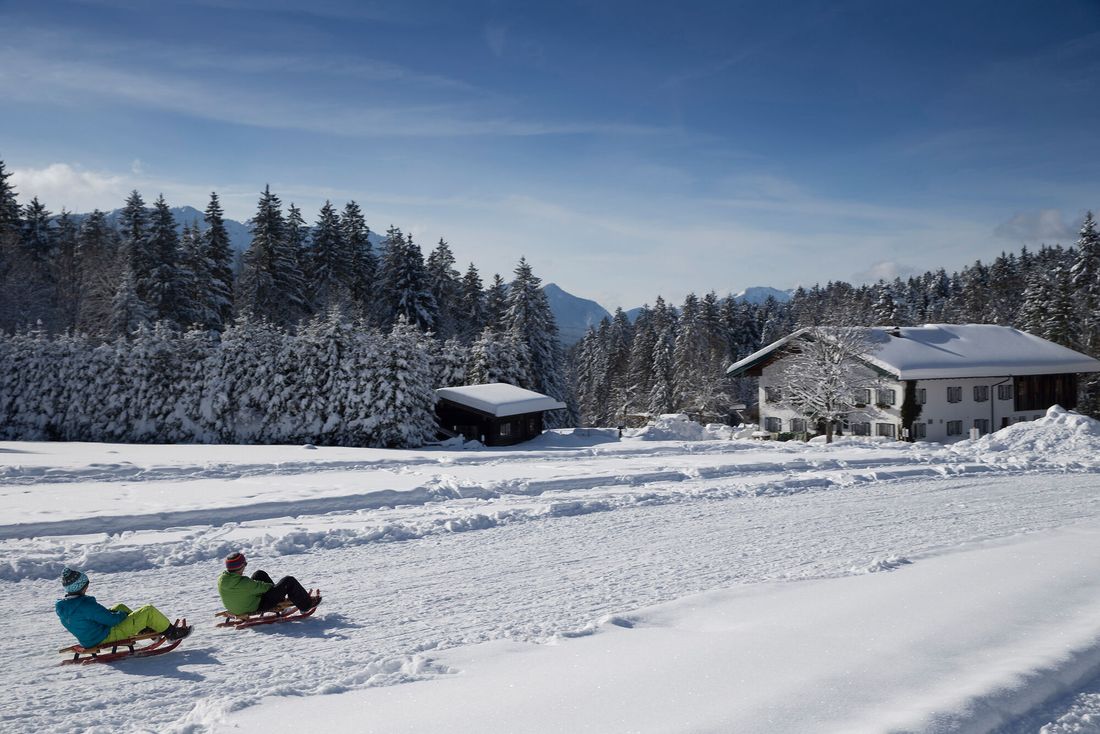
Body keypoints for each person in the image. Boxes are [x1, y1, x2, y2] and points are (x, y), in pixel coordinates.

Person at [55, 567, 191, 649]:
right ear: (81, 587)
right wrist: (121, 615)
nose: (87, 587)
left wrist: (117, 611)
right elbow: (113, 621)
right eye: (86, 584)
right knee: (148, 610)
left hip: (89, 638)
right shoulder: (86, 605)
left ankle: (146, 631)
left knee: (119, 606)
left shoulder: (65, 607)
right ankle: (172, 633)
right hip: (106, 636)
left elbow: (90, 618)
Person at [217, 552, 319, 617]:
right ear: (241, 566)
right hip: (254, 607)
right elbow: (265, 588)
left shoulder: (222, 579)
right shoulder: (244, 583)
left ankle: (281, 600)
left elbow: (250, 587)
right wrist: (277, 590)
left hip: (237, 607)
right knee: (288, 581)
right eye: (245, 564)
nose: (245, 566)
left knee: (259, 574)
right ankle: (306, 605)